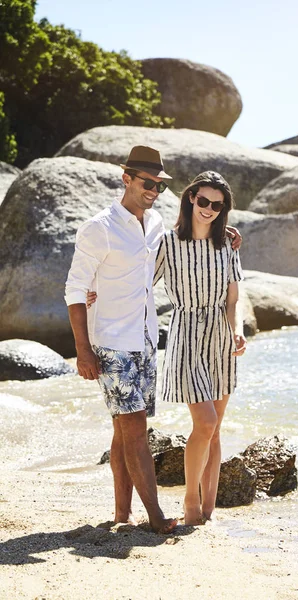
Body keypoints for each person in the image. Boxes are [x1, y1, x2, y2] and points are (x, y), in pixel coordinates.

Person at [65, 146, 241, 533]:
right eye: (147, 182)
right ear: (125, 178)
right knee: (135, 428)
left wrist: (220, 227)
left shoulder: (156, 223)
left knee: (121, 430)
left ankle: (121, 514)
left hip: (145, 339)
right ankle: (157, 516)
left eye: (159, 185)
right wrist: (82, 350)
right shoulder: (99, 227)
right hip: (111, 342)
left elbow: (183, 248)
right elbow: (75, 289)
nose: (153, 190)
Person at [153, 171, 247, 525]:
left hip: (221, 339)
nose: (208, 209)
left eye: (216, 205)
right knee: (205, 422)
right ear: (191, 197)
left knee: (216, 428)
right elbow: (142, 284)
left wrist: (237, 332)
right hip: (186, 335)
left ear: (223, 209)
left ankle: (209, 508)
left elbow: (233, 299)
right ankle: (190, 501)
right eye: (203, 201)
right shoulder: (167, 243)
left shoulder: (228, 245)